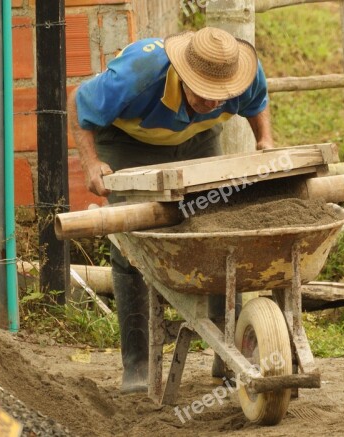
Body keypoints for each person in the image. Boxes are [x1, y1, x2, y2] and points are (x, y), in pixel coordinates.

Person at [68, 27, 274, 393]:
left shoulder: (242, 71)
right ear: (182, 74)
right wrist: (91, 164)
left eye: (220, 96)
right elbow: (78, 103)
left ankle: (229, 355)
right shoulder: (140, 72)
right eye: (204, 93)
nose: (213, 101)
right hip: (129, 142)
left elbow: (257, 105)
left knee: (221, 232)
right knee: (133, 242)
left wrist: (265, 141)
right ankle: (139, 365)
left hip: (198, 139)